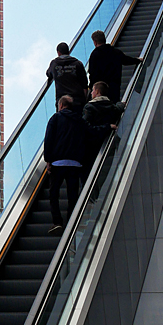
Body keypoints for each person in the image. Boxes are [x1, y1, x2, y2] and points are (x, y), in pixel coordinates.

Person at [44, 95, 112, 234]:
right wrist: (108, 126)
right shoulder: (79, 120)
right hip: (75, 164)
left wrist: (48, 160)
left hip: (58, 163)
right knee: (73, 194)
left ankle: (57, 222)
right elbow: (93, 131)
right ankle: (71, 222)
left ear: (61, 105)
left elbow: (49, 140)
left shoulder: (55, 119)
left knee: (53, 193)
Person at [88, 31, 142, 104]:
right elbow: (126, 60)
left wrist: (91, 87)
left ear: (95, 42)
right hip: (114, 86)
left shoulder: (94, 55)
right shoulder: (115, 52)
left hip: (101, 89)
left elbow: (92, 73)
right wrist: (137, 60)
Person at [46, 42, 88, 111]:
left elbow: (48, 74)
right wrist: (84, 100)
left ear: (58, 53)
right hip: (77, 101)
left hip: (62, 102)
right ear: (68, 52)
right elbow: (84, 85)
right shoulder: (77, 63)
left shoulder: (54, 64)